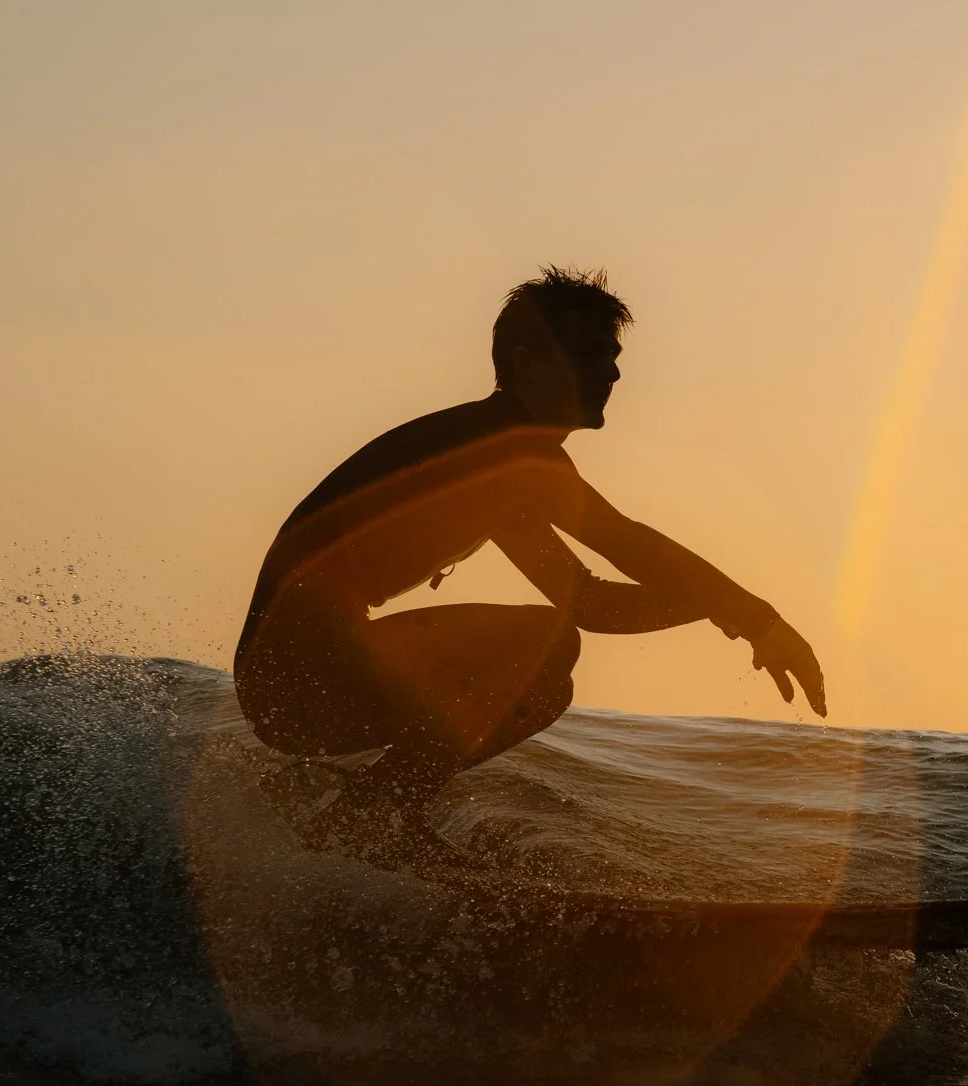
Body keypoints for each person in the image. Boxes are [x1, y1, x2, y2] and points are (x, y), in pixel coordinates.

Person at [235, 267, 825, 863]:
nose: (611, 372)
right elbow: (625, 543)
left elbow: (590, 603)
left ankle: (363, 813)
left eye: (613, 357)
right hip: (304, 677)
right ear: (528, 364)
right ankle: (372, 813)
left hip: (283, 692)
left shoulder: (492, 473)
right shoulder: (506, 452)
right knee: (547, 645)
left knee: (547, 681)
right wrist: (757, 617)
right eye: (588, 354)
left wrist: (710, 606)